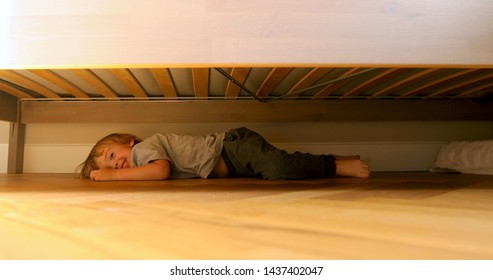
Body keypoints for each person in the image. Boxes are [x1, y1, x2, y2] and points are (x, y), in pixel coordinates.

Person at [78, 127, 370, 181]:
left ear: (129, 142)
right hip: (233, 164)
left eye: (113, 156)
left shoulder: (144, 149)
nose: (118, 166)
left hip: (232, 147)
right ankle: (334, 160)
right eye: (111, 166)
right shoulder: (140, 160)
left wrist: (110, 178)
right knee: (280, 166)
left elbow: (160, 171)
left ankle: (335, 166)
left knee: (278, 168)